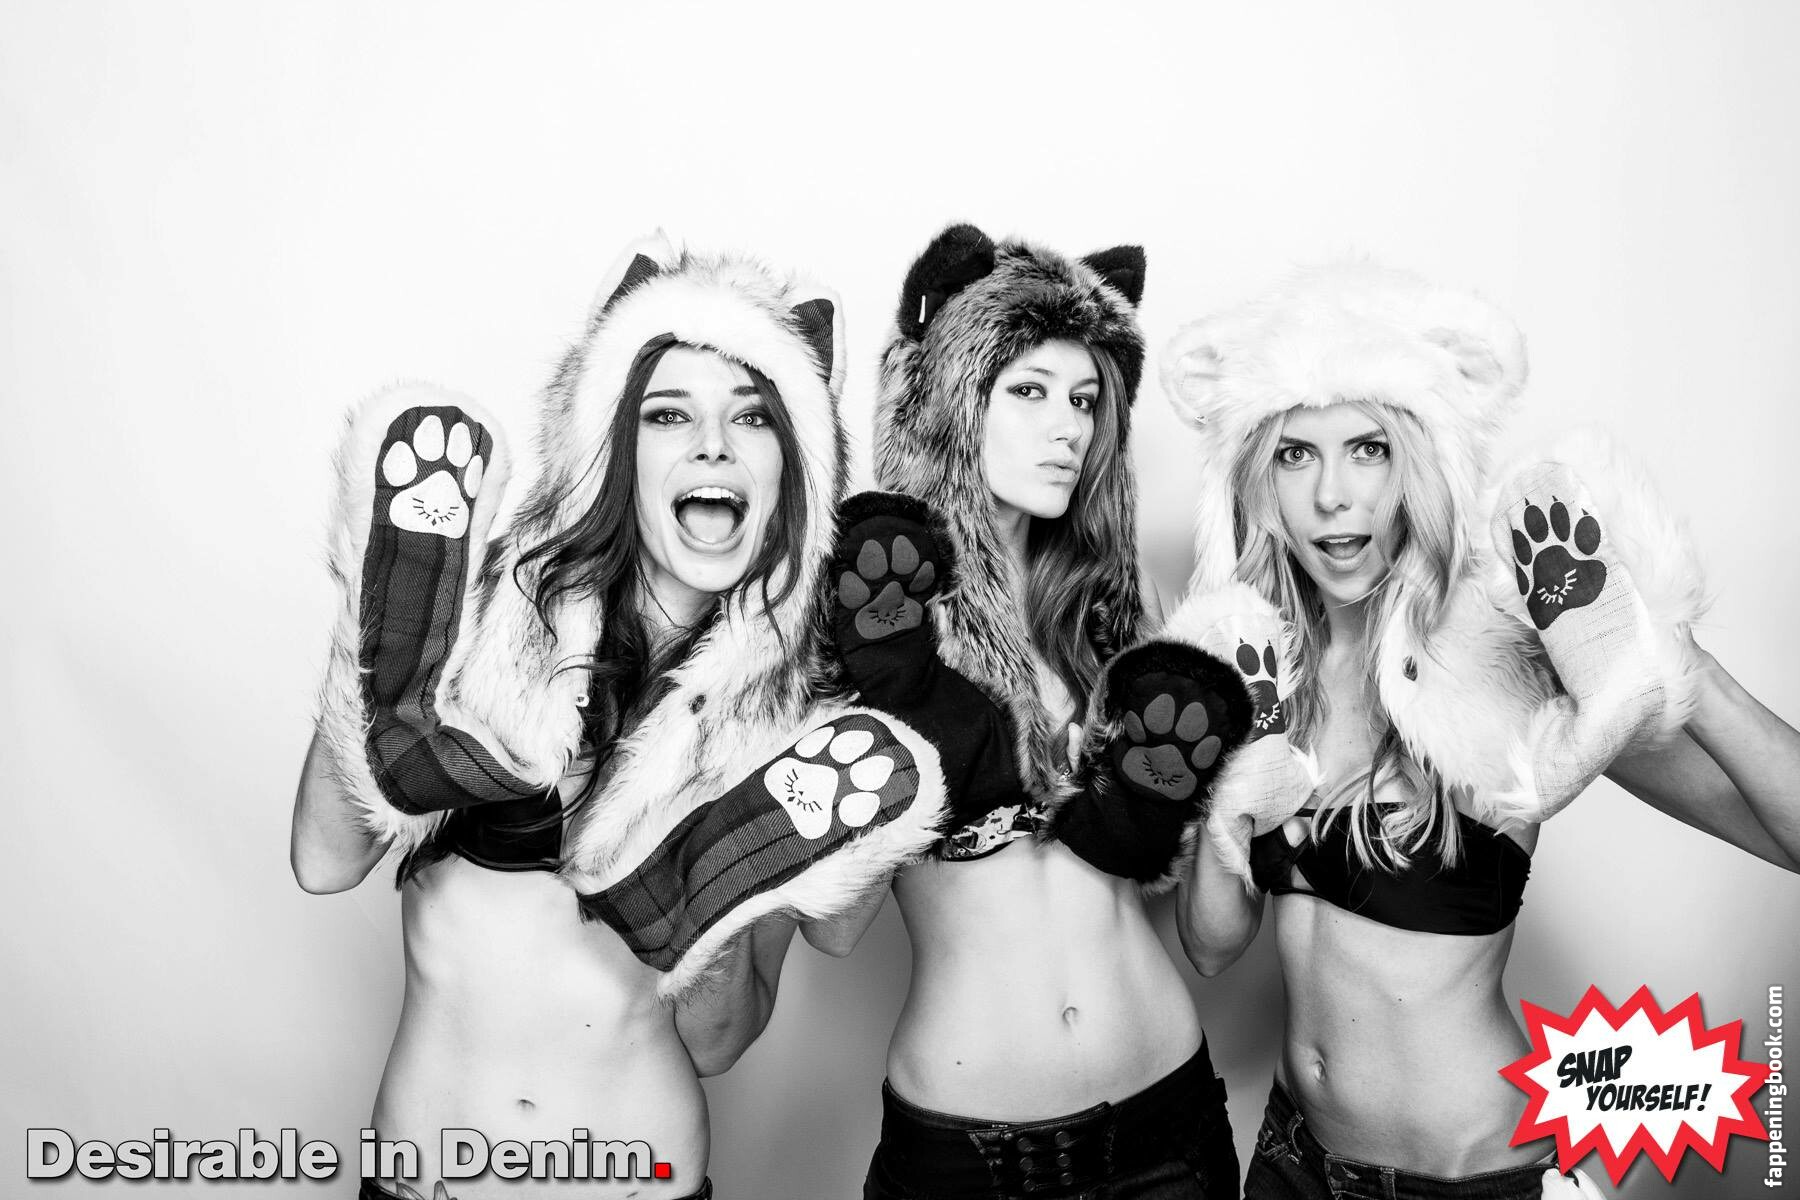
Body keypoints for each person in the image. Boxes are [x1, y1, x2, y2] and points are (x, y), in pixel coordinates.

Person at [292, 235, 941, 1199]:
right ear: (613, 444)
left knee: (732, 846)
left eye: (753, 416)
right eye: (668, 413)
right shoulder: (481, 613)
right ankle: (400, 656)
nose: (713, 444)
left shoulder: (808, 728)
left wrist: (711, 890)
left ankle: (691, 874)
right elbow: (324, 860)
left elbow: (716, 1043)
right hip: (430, 1175)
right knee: (427, 700)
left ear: (792, 465)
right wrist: (372, 645)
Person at [1152, 261, 1800, 1200]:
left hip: (1466, 1180)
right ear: (1256, 480)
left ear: (1421, 463)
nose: (1332, 494)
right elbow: (1213, 949)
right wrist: (1227, 812)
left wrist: (1674, 659)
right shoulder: (1257, 662)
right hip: (1293, 1162)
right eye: (1295, 454)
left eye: (1368, 448)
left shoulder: (1497, 649)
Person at [836, 224, 1252, 1200]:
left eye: (1084, 399)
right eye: (1028, 391)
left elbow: (1188, 918)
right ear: (950, 400)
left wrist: (1235, 795)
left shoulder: (1123, 617)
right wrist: (897, 719)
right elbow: (834, 932)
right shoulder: (866, 612)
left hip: (1167, 1121)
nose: (1067, 427)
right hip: (970, 1160)